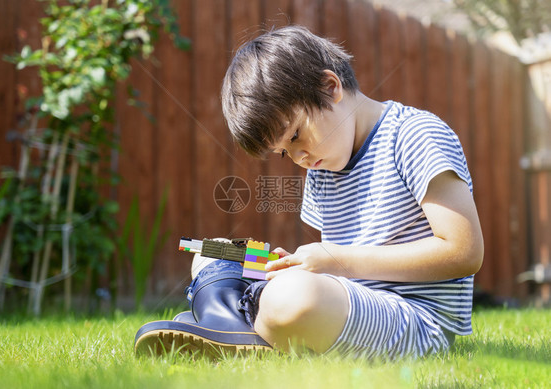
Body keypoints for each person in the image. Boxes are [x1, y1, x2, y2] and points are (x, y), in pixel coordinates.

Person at [134, 25, 483, 361]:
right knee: (212, 253)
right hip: (346, 301)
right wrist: (296, 263)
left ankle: (228, 323)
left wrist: (334, 259)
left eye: (296, 135)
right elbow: (334, 271)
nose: (299, 158)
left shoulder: (414, 134)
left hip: (417, 322)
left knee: (293, 296)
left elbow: (463, 251)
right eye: (285, 152)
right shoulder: (324, 164)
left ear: (330, 87)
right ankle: (232, 326)